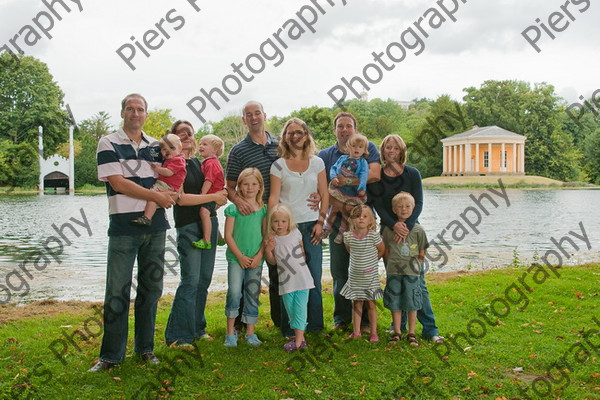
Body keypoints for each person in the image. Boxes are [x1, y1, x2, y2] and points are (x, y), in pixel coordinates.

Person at [90, 93, 177, 372]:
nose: (135, 113)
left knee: (151, 290)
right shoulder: (108, 142)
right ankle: (111, 356)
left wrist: (168, 195)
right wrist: (157, 196)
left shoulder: (156, 145)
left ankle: (145, 349)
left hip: (156, 227)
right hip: (123, 227)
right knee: (117, 291)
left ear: (146, 115)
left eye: (140, 109)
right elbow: (118, 183)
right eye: (130, 108)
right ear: (122, 112)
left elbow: (172, 173)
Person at [226, 101, 319, 329]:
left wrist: (316, 193)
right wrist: (238, 200)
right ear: (244, 120)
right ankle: (239, 324)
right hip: (253, 217)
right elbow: (228, 186)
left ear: (264, 115)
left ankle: (285, 322)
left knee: (281, 271)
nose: (254, 117)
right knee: (251, 270)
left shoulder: (280, 145)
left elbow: (301, 172)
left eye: (257, 113)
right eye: (249, 114)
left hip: (282, 218)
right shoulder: (238, 151)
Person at [368, 134, 444, 344]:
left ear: (401, 151)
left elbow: (418, 202)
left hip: (411, 233)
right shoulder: (377, 176)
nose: (391, 151)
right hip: (389, 233)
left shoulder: (412, 174)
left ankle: (430, 329)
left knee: (417, 281)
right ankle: (398, 329)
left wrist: (407, 226)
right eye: (387, 148)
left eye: (395, 148)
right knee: (395, 280)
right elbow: (378, 205)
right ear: (382, 152)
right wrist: (394, 225)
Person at [164, 120, 227, 348]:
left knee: (203, 280)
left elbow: (215, 190)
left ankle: (197, 328)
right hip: (188, 225)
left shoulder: (200, 164)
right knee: (190, 280)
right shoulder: (174, 164)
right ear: (173, 140)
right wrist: (212, 198)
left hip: (208, 223)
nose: (187, 137)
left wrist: (219, 198)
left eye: (189, 133)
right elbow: (179, 199)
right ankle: (178, 336)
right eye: (181, 134)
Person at [317, 112, 381, 331]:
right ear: (334, 129)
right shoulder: (326, 154)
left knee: (365, 269)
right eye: (340, 126)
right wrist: (342, 206)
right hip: (337, 217)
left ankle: (364, 321)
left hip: (363, 220)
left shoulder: (367, 146)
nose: (344, 130)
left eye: (349, 126)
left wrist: (348, 181)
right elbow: (322, 184)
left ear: (355, 128)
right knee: (340, 271)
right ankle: (342, 319)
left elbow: (374, 174)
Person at [268, 117, 328, 337]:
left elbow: (325, 194)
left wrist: (321, 221)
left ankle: (314, 327)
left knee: (312, 277)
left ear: (306, 135)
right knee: (289, 279)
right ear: (285, 137)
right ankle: (289, 328)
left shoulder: (318, 162)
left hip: (312, 226)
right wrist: (271, 229)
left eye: (299, 132)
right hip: (286, 228)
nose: (295, 136)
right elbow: (274, 198)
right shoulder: (278, 165)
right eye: (290, 132)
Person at [223, 167, 267, 347]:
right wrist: (240, 256)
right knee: (234, 292)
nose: (249, 188)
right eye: (245, 184)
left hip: (256, 259)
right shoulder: (233, 209)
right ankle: (230, 333)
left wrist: (259, 255)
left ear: (259, 187)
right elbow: (228, 236)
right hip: (236, 259)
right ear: (239, 186)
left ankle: (250, 333)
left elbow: (266, 236)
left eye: (253, 184)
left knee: (252, 293)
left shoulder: (264, 210)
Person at [264, 204, 315, 352]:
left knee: (300, 309)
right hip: (286, 281)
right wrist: (268, 249)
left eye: (283, 221)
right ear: (271, 223)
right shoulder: (272, 238)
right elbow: (273, 262)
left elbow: (303, 254)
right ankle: (301, 338)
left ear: (289, 222)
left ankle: (298, 343)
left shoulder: (295, 233)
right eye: (276, 221)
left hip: (301, 278)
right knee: (291, 310)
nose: (279, 225)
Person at [382, 192, 428, 347]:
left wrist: (418, 263)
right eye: (400, 207)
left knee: (412, 301)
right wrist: (390, 265)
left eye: (408, 206)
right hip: (394, 272)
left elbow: (423, 249)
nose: (404, 209)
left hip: (412, 273)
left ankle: (412, 333)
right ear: (394, 210)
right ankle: (397, 332)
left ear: (413, 208)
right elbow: (386, 249)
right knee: (394, 301)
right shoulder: (389, 230)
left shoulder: (418, 230)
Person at [341, 205, 385, 342]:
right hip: (355, 276)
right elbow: (350, 251)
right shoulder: (348, 237)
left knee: (371, 303)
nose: (361, 218)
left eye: (365, 216)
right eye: (357, 216)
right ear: (352, 219)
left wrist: (371, 263)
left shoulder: (373, 236)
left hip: (370, 277)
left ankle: (373, 332)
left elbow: (381, 250)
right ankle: (356, 331)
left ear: (370, 221)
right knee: (357, 303)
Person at [323, 133, 370, 244]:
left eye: (360, 147)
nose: (356, 149)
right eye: (354, 146)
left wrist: (362, 187)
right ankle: (327, 227)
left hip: (352, 192)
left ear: (364, 150)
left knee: (346, 213)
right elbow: (333, 168)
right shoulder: (343, 158)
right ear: (348, 147)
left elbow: (364, 175)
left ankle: (341, 233)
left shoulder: (363, 162)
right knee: (334, 208)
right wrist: (333, 177)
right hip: (340, 189)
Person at [131, 134, 187, 226]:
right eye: (164, 149)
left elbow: (169, 172)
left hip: (167, 185)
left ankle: (147, 217)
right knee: (154, 197)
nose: (167, 151)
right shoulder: (171, 159)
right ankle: (148, 217)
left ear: (180, 149)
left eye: (172, 148)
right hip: (166, 185)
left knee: (153, 196)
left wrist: (157, 169)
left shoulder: (178, 160)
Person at [191, 134, 225, 250]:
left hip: (213, 194)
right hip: (213, 195)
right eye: (200, 144)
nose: (201, 146)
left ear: (215, 150)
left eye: (205, 144)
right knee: (209, 214)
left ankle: (207, 240)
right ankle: (220, 238)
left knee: (204, 212)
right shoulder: (208, 162)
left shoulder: (211, 163)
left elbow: (209, 180)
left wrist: (202, 195)